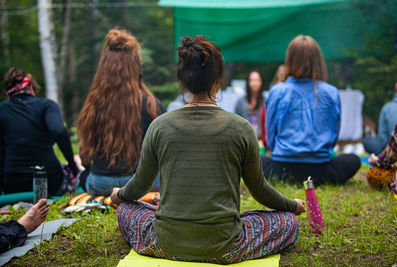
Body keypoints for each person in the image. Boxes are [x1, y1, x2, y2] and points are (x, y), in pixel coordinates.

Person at [110, 36, 305, 264]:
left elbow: (140, 185)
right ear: (218, 79)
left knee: (126, 209)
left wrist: (118, 195)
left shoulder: (159, 126)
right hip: (225, 244)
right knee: (287, 221)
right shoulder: (241, 128)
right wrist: (293, 205)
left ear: (182, 80)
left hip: (166, 243)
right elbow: (260, 190)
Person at [262, 35, 361, 186]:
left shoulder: (277, 91)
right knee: (353, 160)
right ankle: (314, 179)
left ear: (290, 59)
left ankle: (290, 177)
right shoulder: (331, 92)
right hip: (321, 169)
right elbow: (334, 135)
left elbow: (270, 137)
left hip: (281, 168)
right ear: (318, 60)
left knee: (252, 161)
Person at [77, 28, 164, 197]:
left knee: (83, 176)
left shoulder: (94, 103)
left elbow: (85, 157)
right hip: (144, 184)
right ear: (136, 66)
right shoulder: (151, 104)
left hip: (101, 185)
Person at [0, 68, 79, 195]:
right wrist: (72, 166)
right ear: (31, 87)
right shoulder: (47, 105)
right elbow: (58, 130)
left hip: (13, 185)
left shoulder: (2, 109)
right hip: (49, 182)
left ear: (9, 93)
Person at [363, 71, 397, 155]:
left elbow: (383, 142)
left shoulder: (388, 108)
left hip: (392, 152)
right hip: (393, 151)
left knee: (368, 141)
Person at [234, 70, 265, 140]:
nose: (255, 83)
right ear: (248, 82)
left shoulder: (265, 102)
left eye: (257, 80)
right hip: (244, 139)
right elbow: (235, 123)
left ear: (261, 82)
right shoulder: (240, 102)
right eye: (252, 80)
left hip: (261, 141)